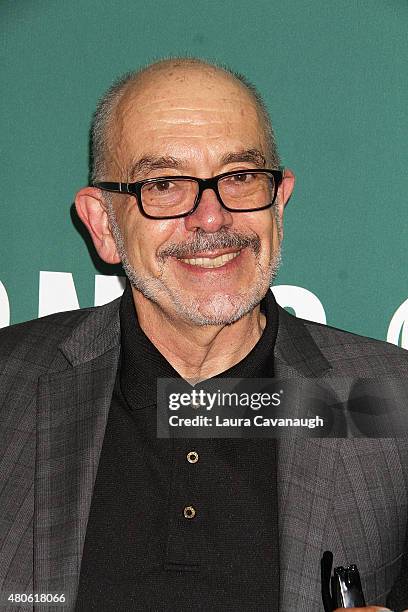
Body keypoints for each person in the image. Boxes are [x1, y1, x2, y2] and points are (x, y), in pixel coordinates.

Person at [0, 57, 407, 612]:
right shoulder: (11, 387)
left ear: (279, 202)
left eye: (239, 176)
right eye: (164, 184)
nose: (212, 218)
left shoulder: (384, 399)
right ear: (103, 225)